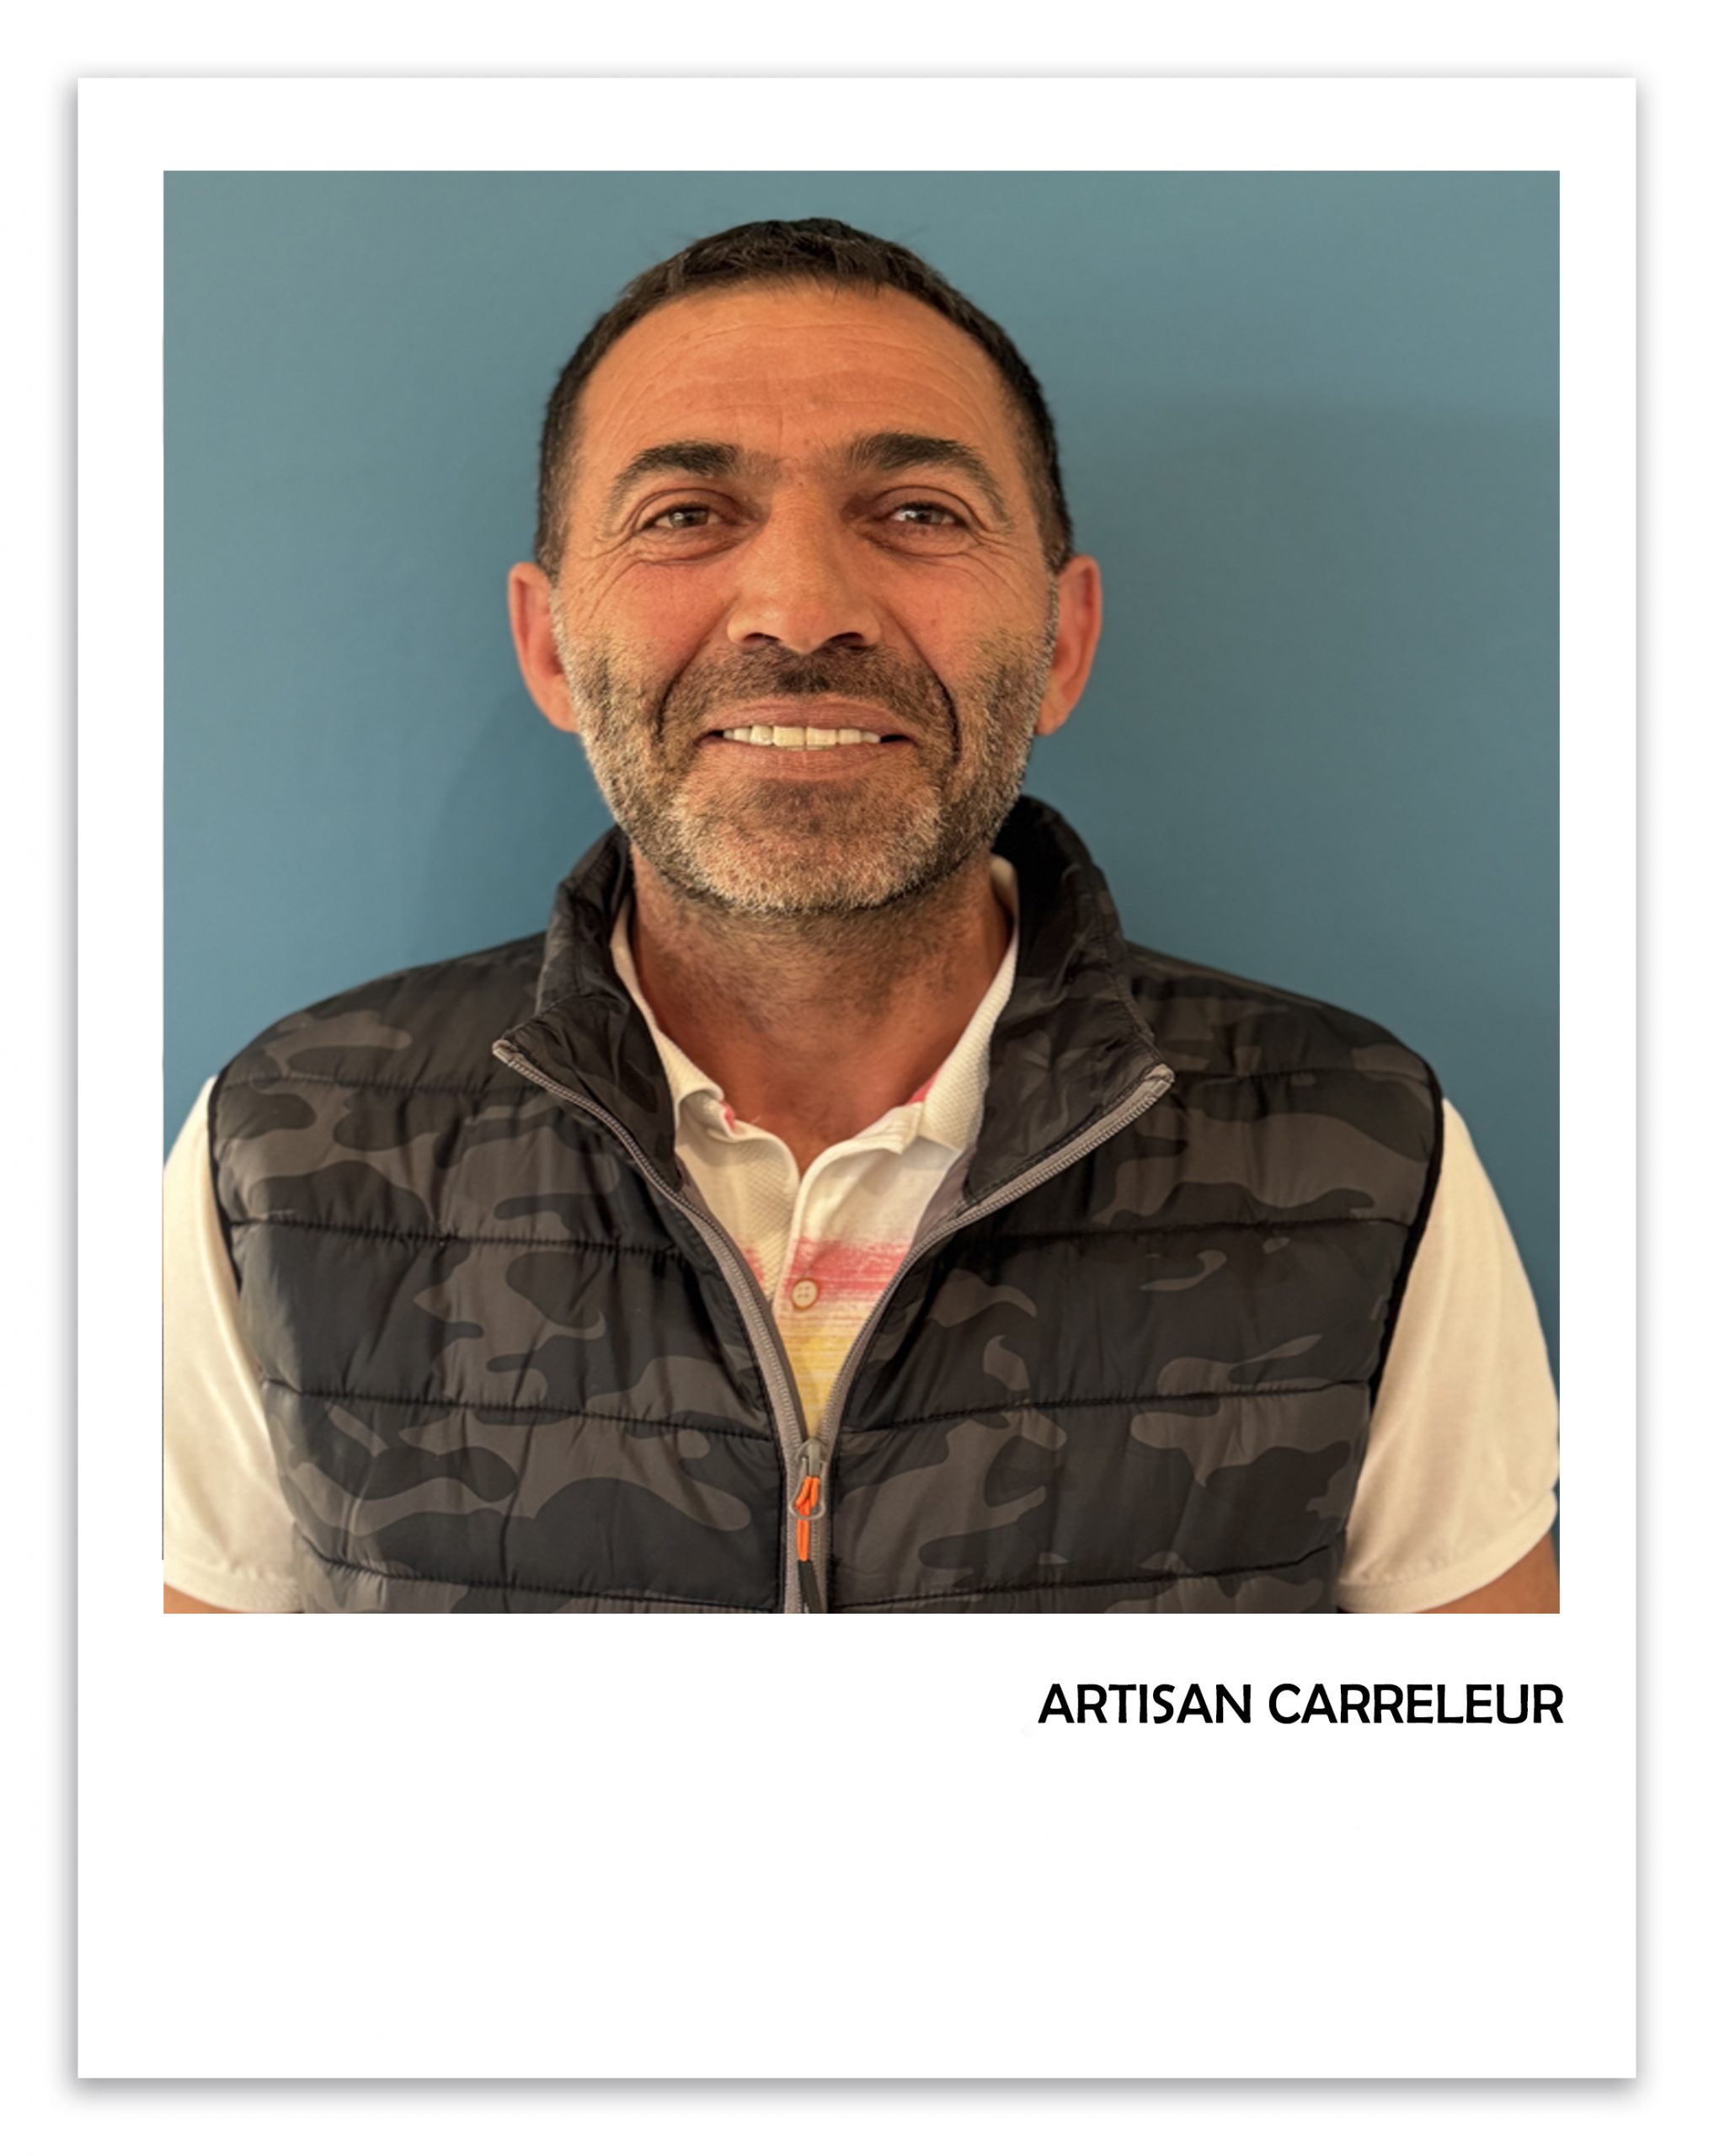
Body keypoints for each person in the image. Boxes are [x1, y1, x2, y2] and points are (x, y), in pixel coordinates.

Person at [163, 217, 1559, 1615]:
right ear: (551, 650)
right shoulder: (287, 1153)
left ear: (1062, 642)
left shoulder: (1361, 1146)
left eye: (918, 513)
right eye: (686, 515)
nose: (800, 609)